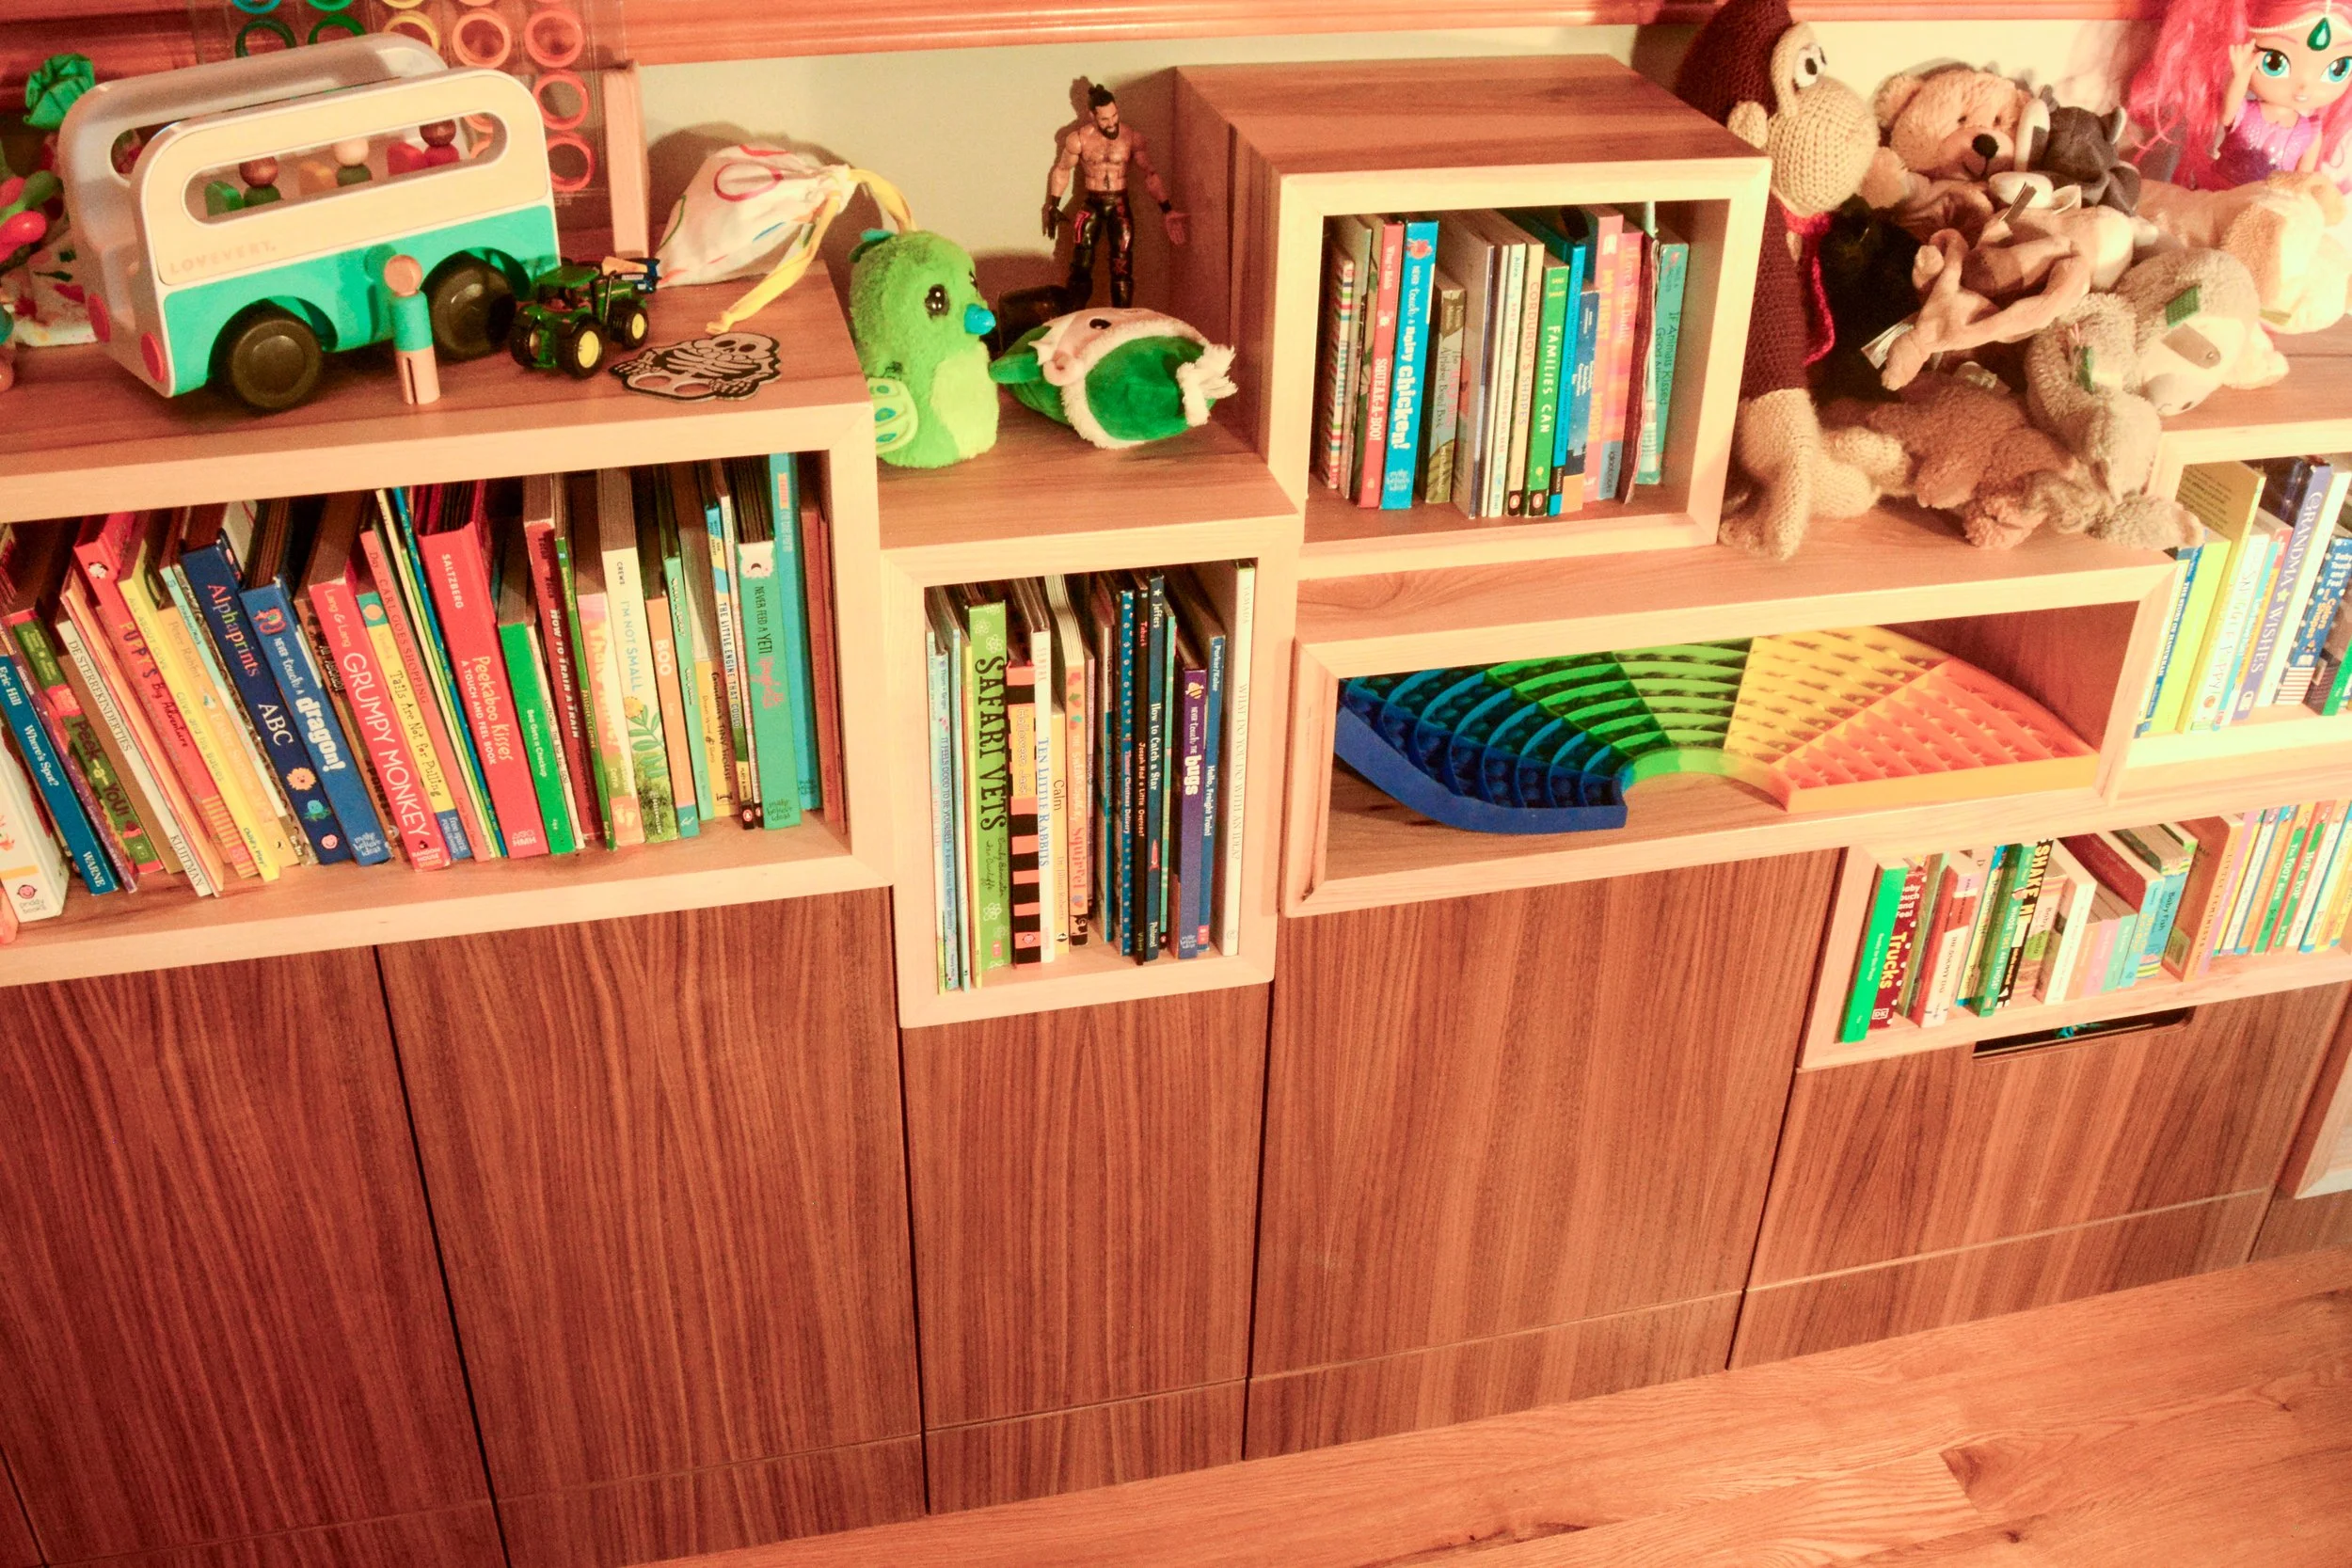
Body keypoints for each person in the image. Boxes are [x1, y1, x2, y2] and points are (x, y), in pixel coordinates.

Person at [2129, 1, 2352, 189]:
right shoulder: (2249, 113)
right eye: (2274, 62)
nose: (2304, 87)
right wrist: (2240, 76)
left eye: (2338, 69)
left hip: (2270, 203)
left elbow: (2302, 179)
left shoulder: (2310, 130)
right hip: (2223, 190)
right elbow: (2227, 116)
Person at [1041, 84, 1185, 309]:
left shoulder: (1131, 138)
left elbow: (1150, 174)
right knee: (1081, 264)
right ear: (1092, 115)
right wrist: (1053, 205)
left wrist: (1166, 209)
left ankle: (1123, 323)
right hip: (1092, 202)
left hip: (1119, 203)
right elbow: (1062, 170)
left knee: (1122, 266)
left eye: (1114, 115)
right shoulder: (1079, 139)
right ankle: (1073, 317)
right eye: (1105, 119)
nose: (1112, 123)